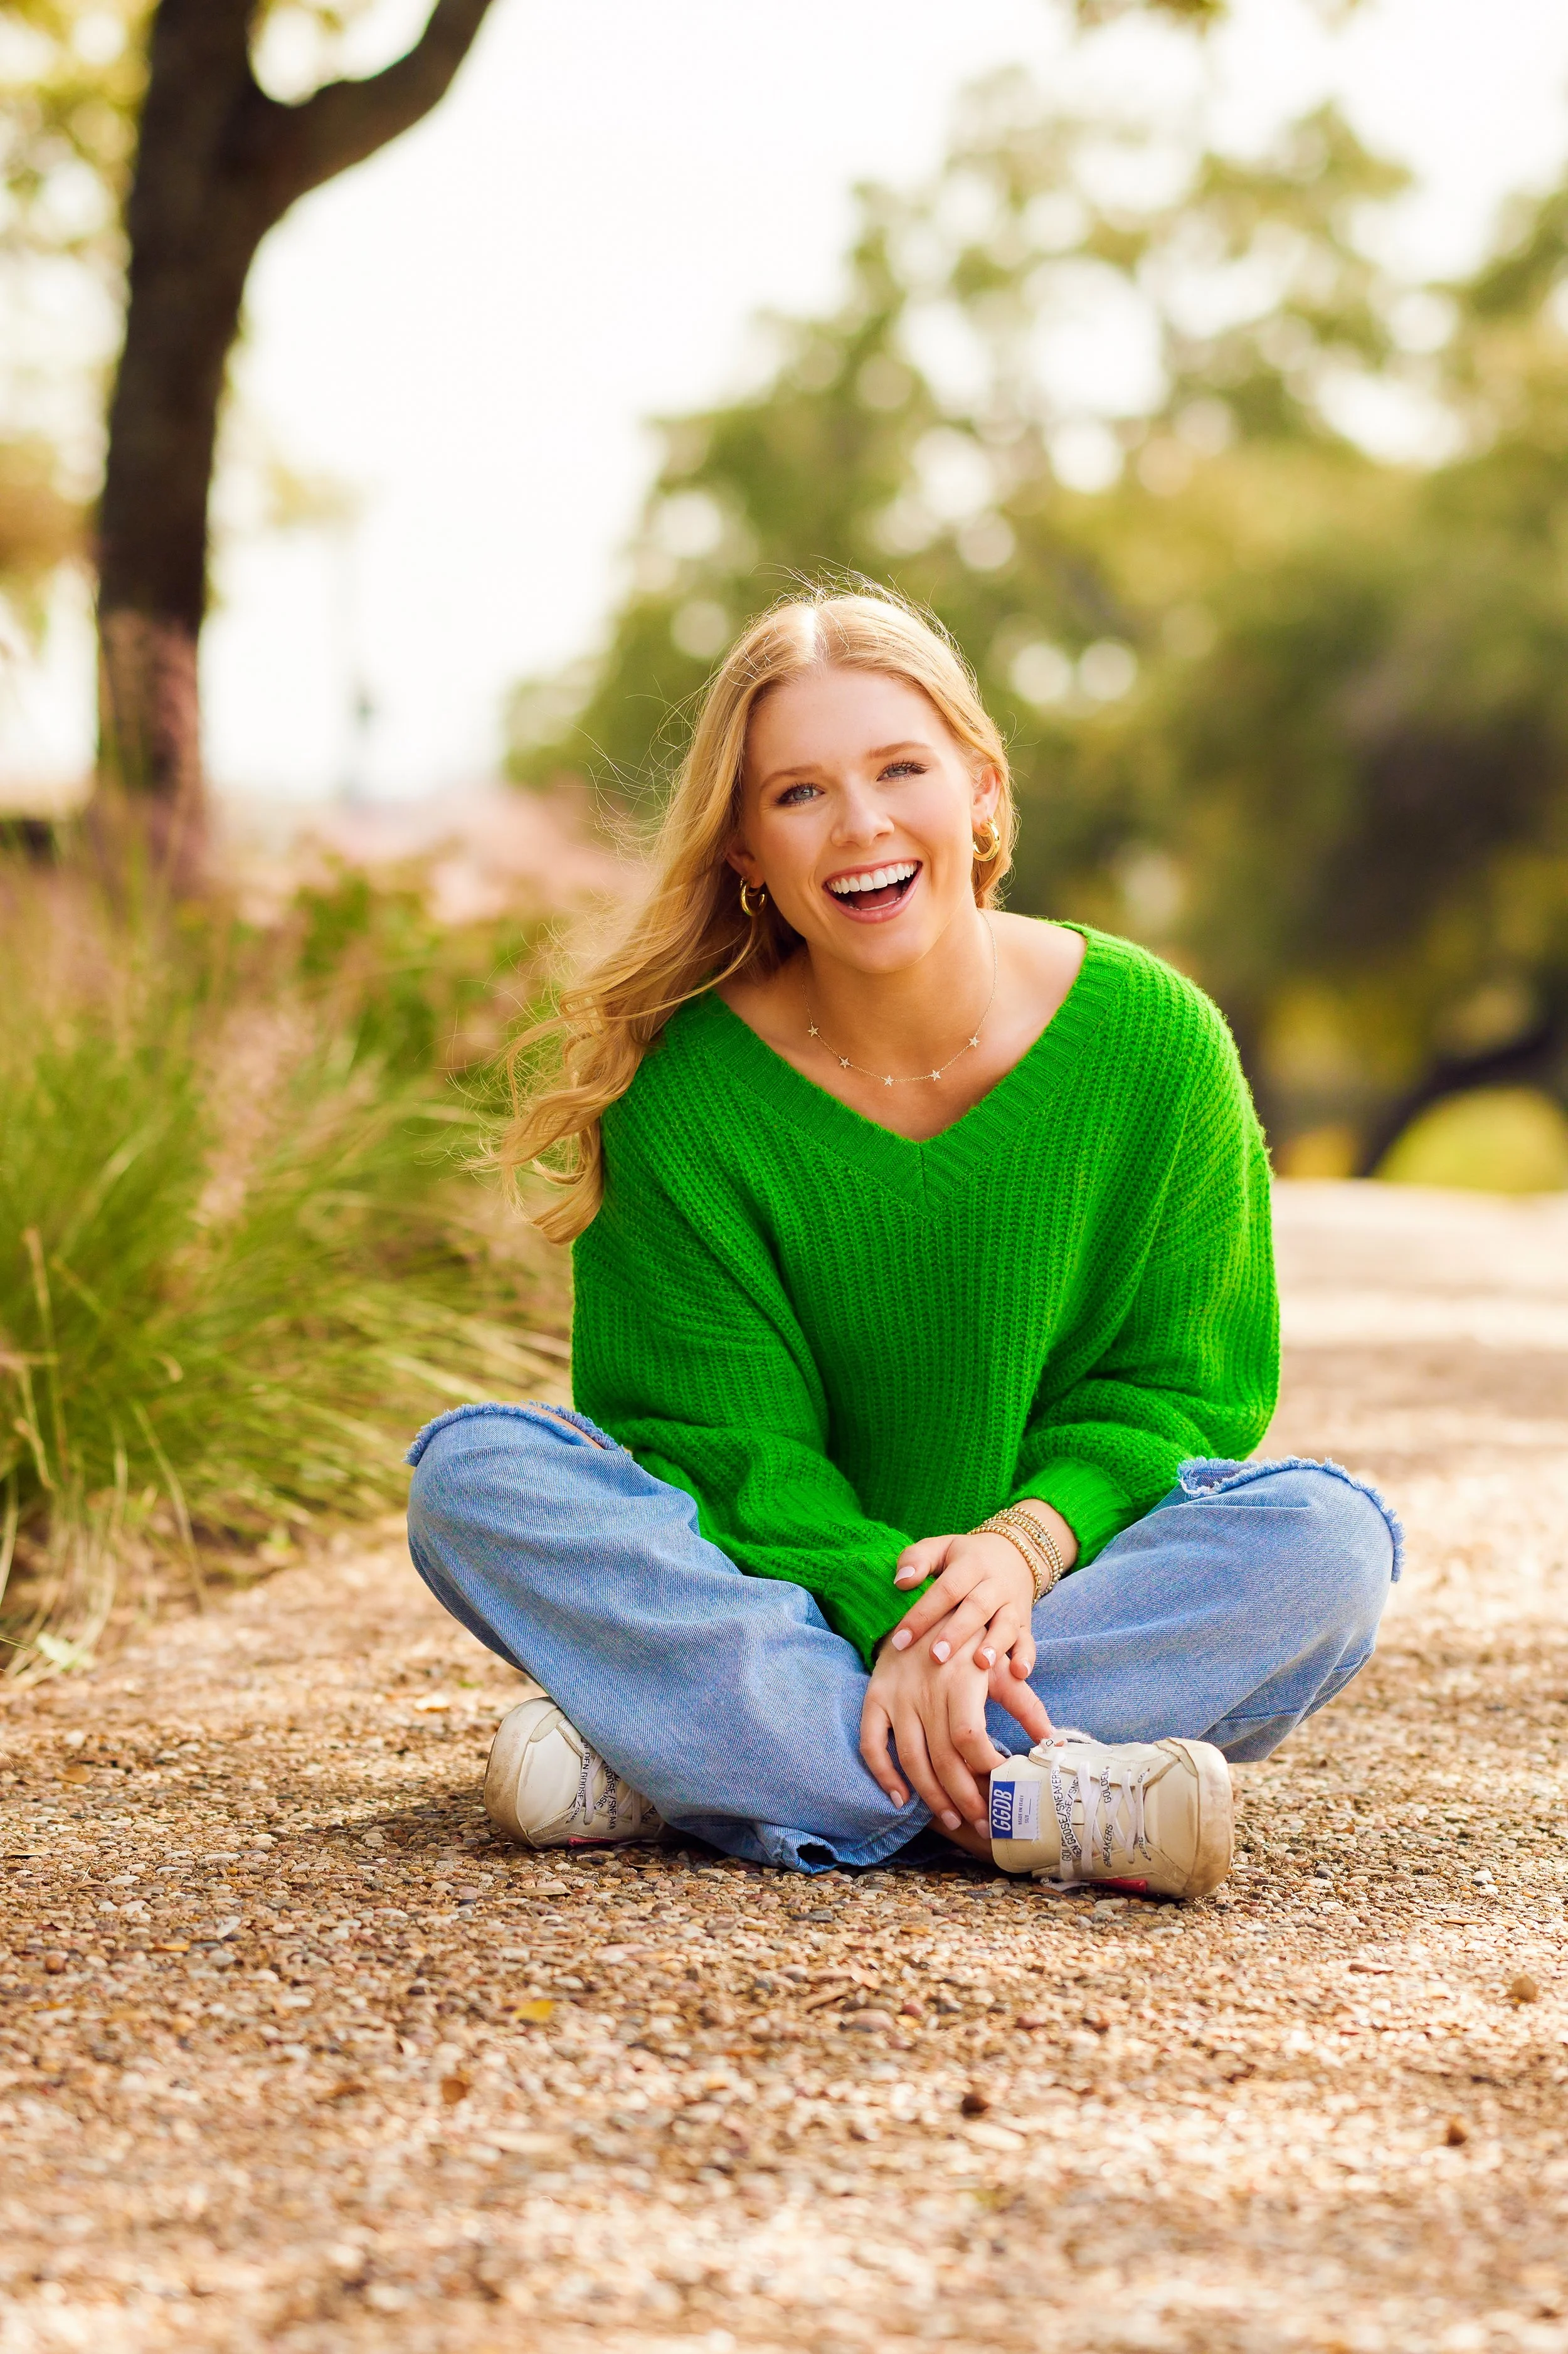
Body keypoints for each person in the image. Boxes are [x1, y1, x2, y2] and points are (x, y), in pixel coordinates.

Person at [406, 588, 1399, 1894]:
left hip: (1052, 1599)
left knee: (1327, 1542)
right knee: (476, 1478)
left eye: (899, 770)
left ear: (981, 791)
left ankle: (694, 1763)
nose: (862, 824)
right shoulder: (684, 1094)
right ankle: (1030, 1797)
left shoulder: (1157, 1047)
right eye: (799, 793)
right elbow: (725, 1452)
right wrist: (903, 1613)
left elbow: (1181, 1395)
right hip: (776, 1593)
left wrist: (1019, 1545)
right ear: (746, 849)